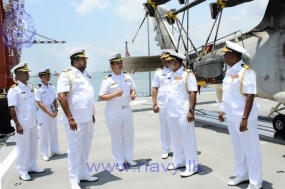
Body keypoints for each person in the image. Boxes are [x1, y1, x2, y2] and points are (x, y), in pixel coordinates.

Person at [218, 41, 262, 189]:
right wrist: (222, 109)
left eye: (225, 54)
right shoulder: (230, 71)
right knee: (238, 147)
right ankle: (242, 174)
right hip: (232, 115)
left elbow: (250, 96)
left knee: (251, 148)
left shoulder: (246, 71)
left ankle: (256, 181)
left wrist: (245, 118)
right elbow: (228, 93)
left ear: (231, 55)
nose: (224, 56)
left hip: (243, 116)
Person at [57, 49, 97, 189]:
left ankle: (84, 174)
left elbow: (88, 97)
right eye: (82, 59)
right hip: (75, 120)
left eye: (85, 59)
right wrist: (70, 117)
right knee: (74, 150)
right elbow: (62, 96)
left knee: (85, 148)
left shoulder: (87, 75)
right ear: (75, 61)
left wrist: (92, 113)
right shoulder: (67, 75)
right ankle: (74, 181)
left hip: (87, 118)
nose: (85, 61)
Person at [99, 52, 137, 171]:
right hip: (113, 111)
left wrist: (133, 93)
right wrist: (115, 94)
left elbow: (133, 89)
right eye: (117, 63)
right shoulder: (107, 80)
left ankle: (128, 158)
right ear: (112, 65)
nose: (120, 64)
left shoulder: (127, 77)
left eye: (121, 62)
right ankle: (119, 161)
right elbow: (101, 97)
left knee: (128, 135)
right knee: (116, 137)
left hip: (126, 109)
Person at [7, 62, 45, 181]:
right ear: (17, 76)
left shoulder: (29, 87)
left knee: (33, 145)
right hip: (22, 123)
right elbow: (11, 108)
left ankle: (32, 165)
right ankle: (22, 170)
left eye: (27, 72)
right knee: (23, 147)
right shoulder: (14, 90)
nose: (27, 74)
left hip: (32, 121)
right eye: (24, 73)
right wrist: (17, 124)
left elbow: (32, 105)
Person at [164, 51, 199, 177]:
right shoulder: (170, 75)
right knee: (175, 139)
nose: (167, 64)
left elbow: (193, 93)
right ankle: (179, 161)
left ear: (176, 62)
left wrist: (191, 110)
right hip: (171, 112)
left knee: (188, 139)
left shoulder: (187, 74)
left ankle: (192, 166)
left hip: (183, 112)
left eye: (169, 61)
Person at [34, 68, 63, 161]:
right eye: (45, 76)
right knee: (43, 133)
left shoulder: (52, 87)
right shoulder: (38, 89)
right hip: (43, 112)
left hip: (52, 110)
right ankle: (44, 153)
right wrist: (49, 112)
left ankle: (55, 150)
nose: (48, 77)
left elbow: (55, 99)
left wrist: (56, 110)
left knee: (54, 132)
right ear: (40, 77)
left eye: (48, 75)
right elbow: (39, 103)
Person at [151, 49, 172, 159]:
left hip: (175, 104)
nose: (165, 61)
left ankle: (179, 147)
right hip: (163, 103)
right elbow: (154, 88)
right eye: (162, 60)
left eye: (166, 59)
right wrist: (154, 103)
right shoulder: (159, 72)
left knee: (177, 126)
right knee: (164, 127)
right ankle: (165, 148)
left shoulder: (176, 71)